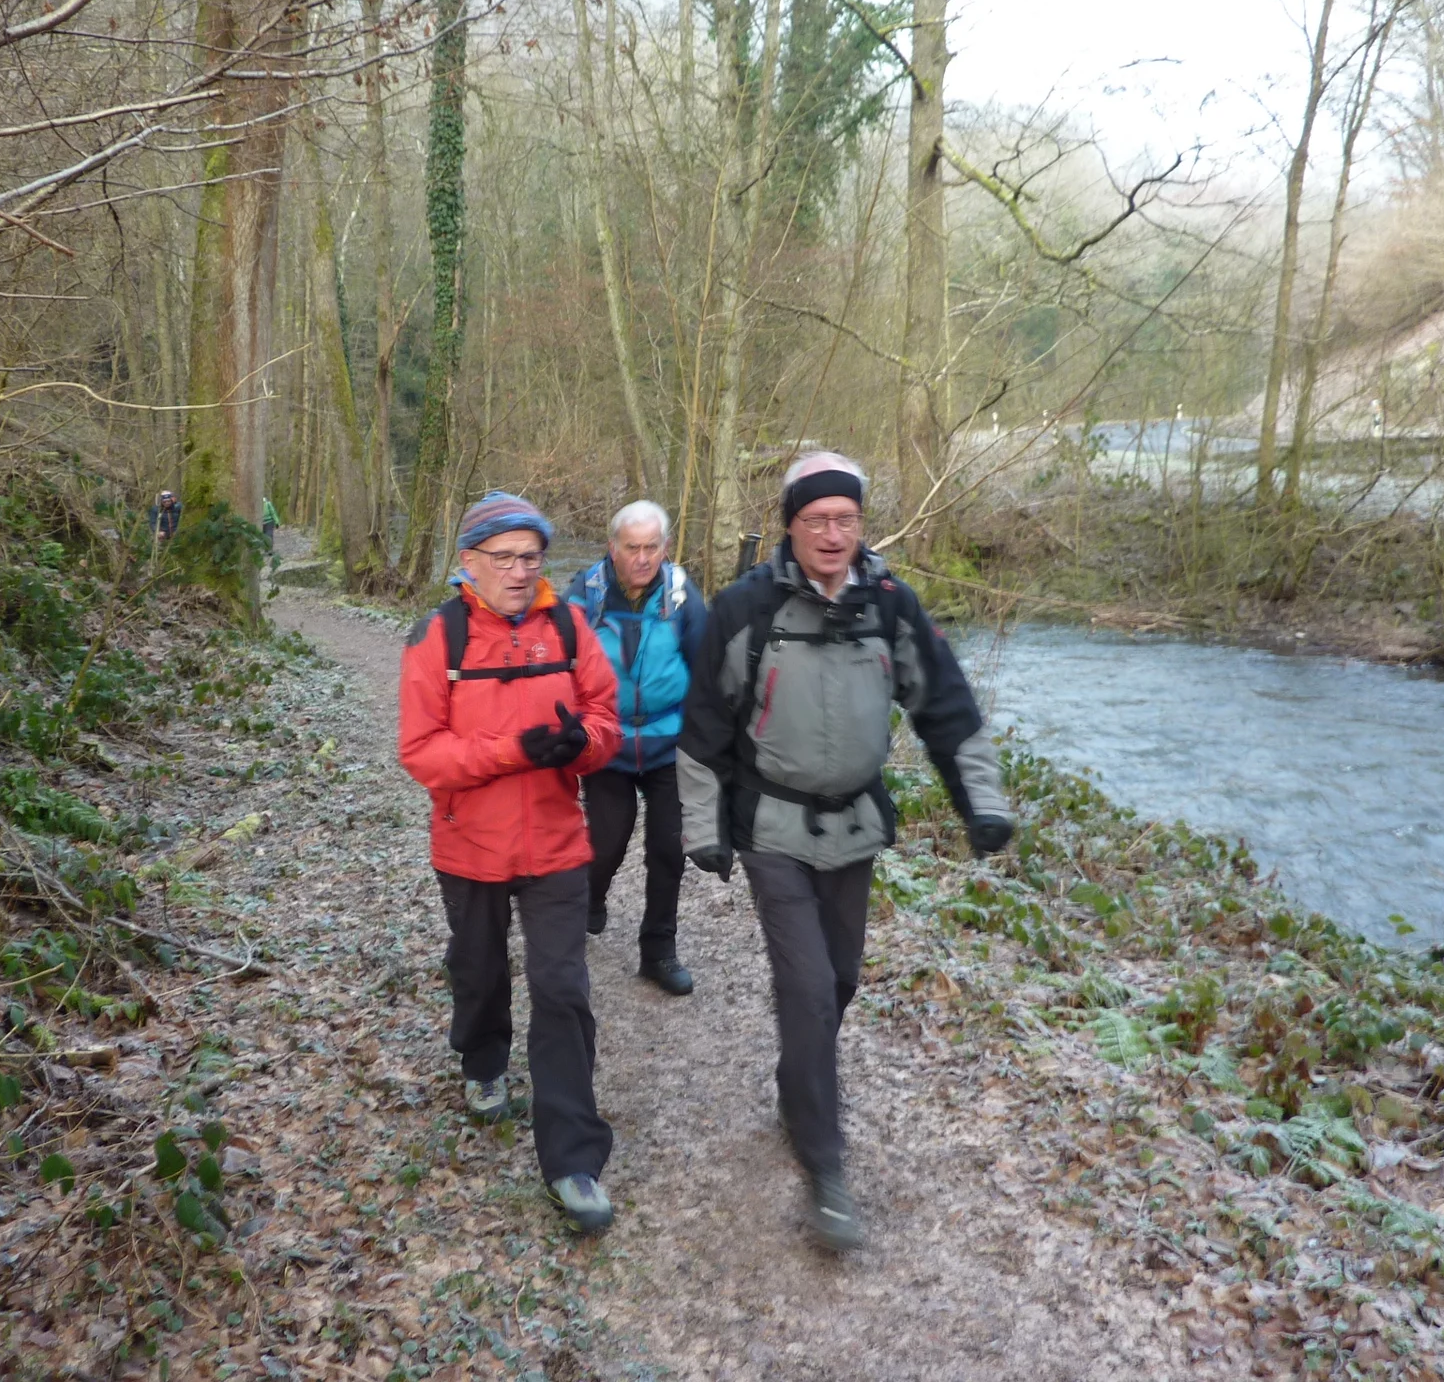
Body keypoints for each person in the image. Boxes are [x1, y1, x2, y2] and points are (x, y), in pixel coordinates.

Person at [677, 451, 1016, 1251]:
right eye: (816, 519)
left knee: (840, 980)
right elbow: (703, 728)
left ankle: (800, 1092)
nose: (833, 534)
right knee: (807, 989)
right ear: (790, 526)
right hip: (773, 826)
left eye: (847, 519)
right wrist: (703, 829)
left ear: (862, 526)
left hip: (855, 827)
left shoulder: (890, 607)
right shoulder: (744, 610)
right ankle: (826, 1167)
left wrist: (984, 804)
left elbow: (948, 708)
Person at [398, 490, 624, 1234]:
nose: (522, 571)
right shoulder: (440, 637)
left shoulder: (570, 624)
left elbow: (604, 719)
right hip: (469, 845)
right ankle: (482, 1058)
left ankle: (573, 1161)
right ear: (469, 563)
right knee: (480, 968)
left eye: (532, 557)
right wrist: (514, 751)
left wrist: (579, 746)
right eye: (505, 558)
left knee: (562, 991)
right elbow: (422, 752)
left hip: (557, 842)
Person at [564, 501, 707, 996]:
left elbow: (706, 668)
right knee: (607, 839)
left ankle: (658, 952)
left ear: (664, 548)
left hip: (670, 742)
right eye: (633, 548)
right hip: (609, 740)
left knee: (670, 849)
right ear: (613, 547)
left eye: (652, 547)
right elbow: (565, 671)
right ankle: (591, 896)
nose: (643, 558)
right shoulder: (585, 597)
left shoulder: (682, 596)